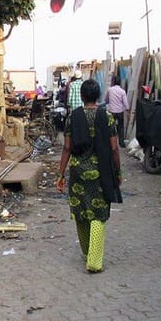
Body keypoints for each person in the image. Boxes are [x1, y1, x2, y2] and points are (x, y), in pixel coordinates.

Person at [55, 79, 122, 273]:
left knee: (81, 212)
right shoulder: (107, 116)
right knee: (98, 214)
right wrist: (118, 172)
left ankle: (86, 252)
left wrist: (60, 174)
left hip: (78, 171)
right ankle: (94, 261)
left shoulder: (72, 118)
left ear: (82, 96)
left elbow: (67, 147)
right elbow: (115, 148)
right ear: (98, 95)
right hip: (101, 172)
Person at [105, 75, 129, 146]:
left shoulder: (109, 90)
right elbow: (125, 103)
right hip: (120, 111)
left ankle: (109, 142)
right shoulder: (122, 91)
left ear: (113, 82)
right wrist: (127, 109)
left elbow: (106, 100)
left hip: (111, 111)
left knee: (110, 126)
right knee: (121, 127)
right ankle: (121, 142)